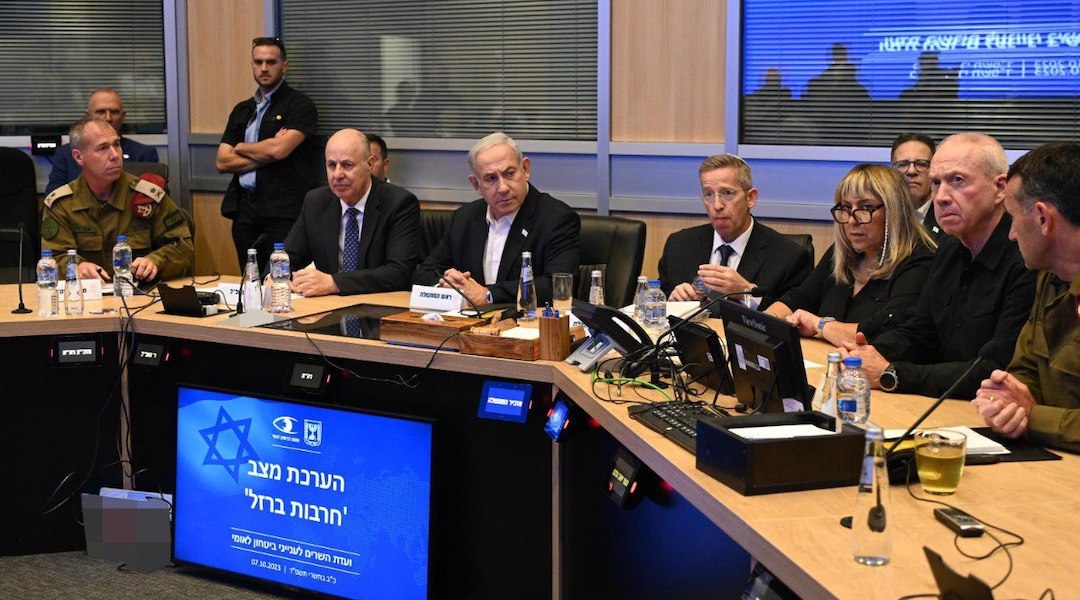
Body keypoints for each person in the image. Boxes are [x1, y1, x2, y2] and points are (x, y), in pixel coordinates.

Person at [843, 133, 1036, 399]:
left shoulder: (1026, 257)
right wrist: (866, 355)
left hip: (987, 410)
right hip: (942, 404)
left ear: (1000, 189)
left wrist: (893, 373)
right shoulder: (948, 248)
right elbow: (919, 331)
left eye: (957, 181)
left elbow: (997, 368)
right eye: (935, 183)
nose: (941, 197)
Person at [973, 142, 1080, 453]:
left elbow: (1032, 409)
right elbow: (1026, 369)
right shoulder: (1050, 276)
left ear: (1043, 219)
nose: (1011, 234)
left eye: (1013, 218)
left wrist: (1032, 417)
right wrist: (1009, 406)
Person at [767, 164, 935, 347]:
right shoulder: (843, 253)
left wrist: (820, 325)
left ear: (893, 211)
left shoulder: (919, 260)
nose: (852, 219)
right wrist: (764, 321)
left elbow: (885, 331)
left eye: (865, 207)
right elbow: (799, 299)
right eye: (846, 207)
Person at [412, 132, 580, 306]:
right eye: (491, 179)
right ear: (476, 185)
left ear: (526, 169)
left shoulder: (556, 218)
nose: (502, 188)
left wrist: (488, 295)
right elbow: (425, 273)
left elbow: (557, 286)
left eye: (509, 173)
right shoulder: (465, 218)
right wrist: (447, 286)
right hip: (469, 325)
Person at [40, 117, 193, 283]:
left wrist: (155, 261)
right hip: (85, 298)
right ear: (79, 157)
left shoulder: (147, 196)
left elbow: (182, 245)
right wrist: (78, 267)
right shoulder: (61, 204)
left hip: (141, 295)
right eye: (102, 148)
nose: (114, 155)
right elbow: (53, 257)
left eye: (117, 145)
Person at [217, 36, 319, 274]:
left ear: (284, 65)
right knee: (249, 279)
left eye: (271, 62)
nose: (264, 68)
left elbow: (279, 150)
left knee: (279, 280)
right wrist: (268, 149)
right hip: (244, 210)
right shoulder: (243, 109)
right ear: (252, 64)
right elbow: (222, 160)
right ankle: (253, 315)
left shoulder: (299, 105)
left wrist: (241, 147)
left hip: (282, 212)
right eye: (258, 62)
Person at [658, 154, 812, 310]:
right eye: (709, 194)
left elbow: (794, 315)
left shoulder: (789, 256)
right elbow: (659, 298)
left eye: (727, 193)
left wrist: (747, 293)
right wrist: (672, 301)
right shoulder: (679, 244)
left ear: (750, 198)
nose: (717, 205)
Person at [284, 129, 421, 296]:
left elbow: (400, 272)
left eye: (347, 165)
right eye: (331, 165)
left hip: (377, 308)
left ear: (369, 164)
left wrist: (335, 282)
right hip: (327, 308)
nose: (337, 174)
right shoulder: (316, 201)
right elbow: (289, 256)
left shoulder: (399, 203)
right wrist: (275, 276)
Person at [46, 88, 159, 194]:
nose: (108, 118)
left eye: (114, 112)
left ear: (123, 116)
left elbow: (153, 201)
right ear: (87, 116)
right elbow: (54, 200)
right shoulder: (66, 154)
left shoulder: (144, 154)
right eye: (100, 112)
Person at [890, 133, 945, 241]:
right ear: (892, 171)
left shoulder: (948, 219)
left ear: (934, 170)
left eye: (921, 164)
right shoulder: (882, 217)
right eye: (903, 164)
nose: (911, 171)